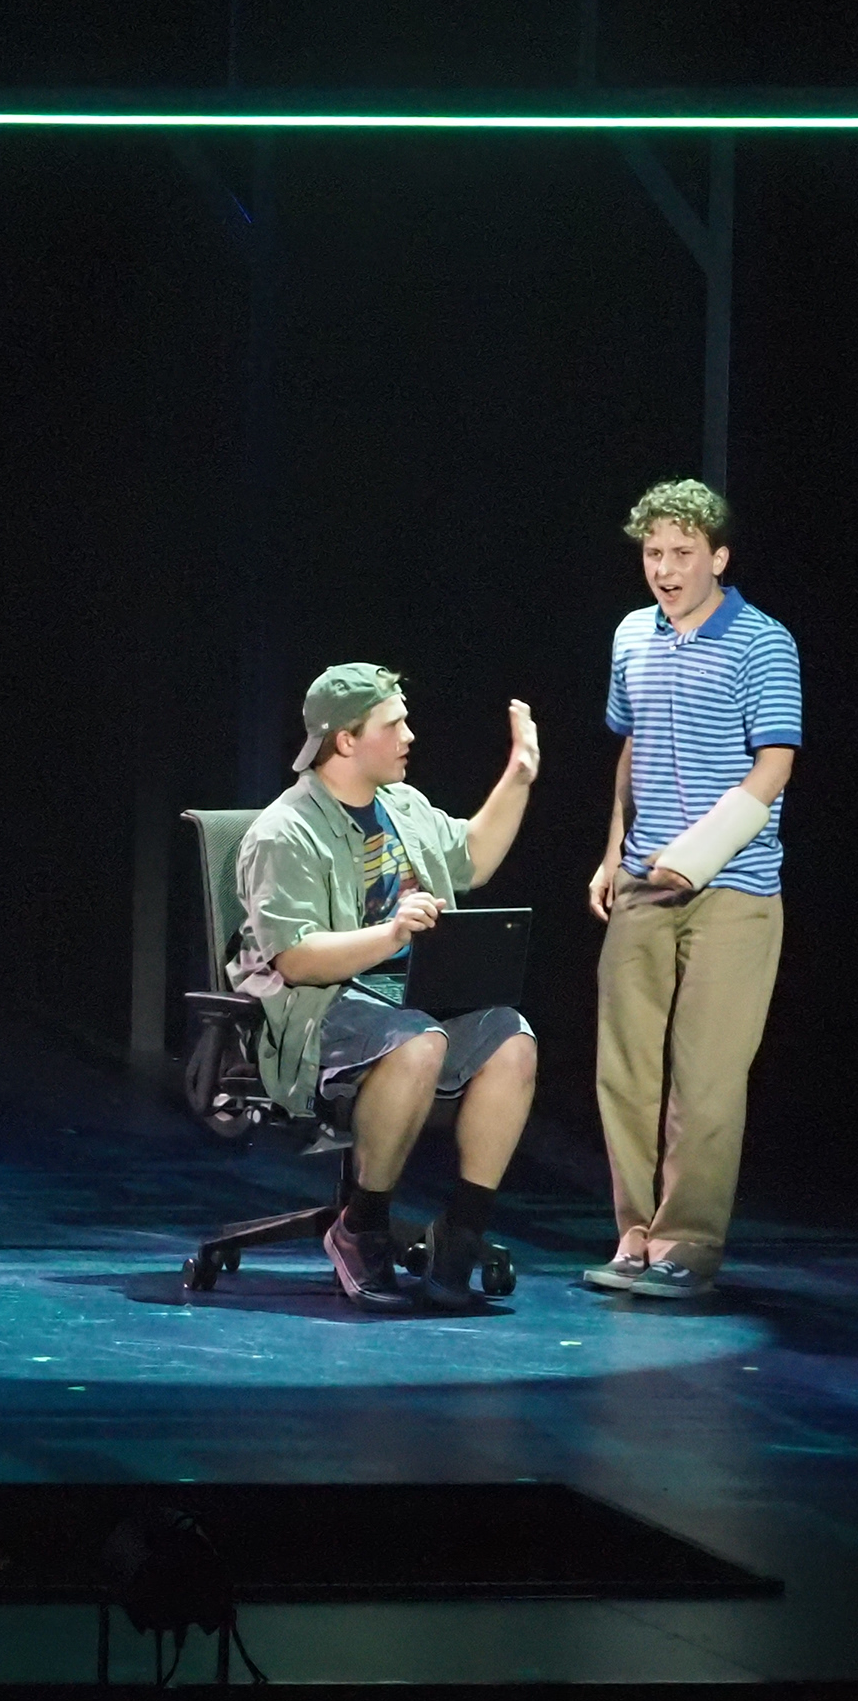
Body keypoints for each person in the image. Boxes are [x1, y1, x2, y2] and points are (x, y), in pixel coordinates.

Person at [230, 665, 544, 1311]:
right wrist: (391, 933)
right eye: (393, 724)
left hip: (410, 999)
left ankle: (461, 1231)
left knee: (511, 1040)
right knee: (417, 1041)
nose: (409, 736)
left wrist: (518, 776)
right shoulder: (285, 831)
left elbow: (473, 857)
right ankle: (362, 1225)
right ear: (346, 740)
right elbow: (296, 959)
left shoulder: (401, 806)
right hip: (321, 1010)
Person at [585, 478, 803, 1302]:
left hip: (733, 889)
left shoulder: (761, 642)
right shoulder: (632, 636)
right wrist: (612, 854)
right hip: (643, 882)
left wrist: (702, 854)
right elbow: (632, 746)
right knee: (625, 1072)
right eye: (654, 553)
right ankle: (635, 1235)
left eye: (683, 553)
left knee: (706, 1077)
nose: (666, 569)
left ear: (719, 557)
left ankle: (689, 1243)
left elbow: (774, 765)